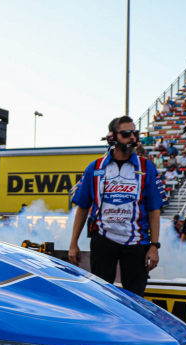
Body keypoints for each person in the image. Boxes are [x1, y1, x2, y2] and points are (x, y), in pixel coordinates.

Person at [69, 116, 162, 297]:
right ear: (112, 137)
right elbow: (82, 206)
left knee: (135, 298)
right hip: (103, 239)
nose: (132, 138)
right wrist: (74, 243)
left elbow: (154, 209)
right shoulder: (95, 167)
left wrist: (154, 246)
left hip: (137, 242)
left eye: (135, 133)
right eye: (126, 134)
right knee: (100, 297)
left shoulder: (147, 167)